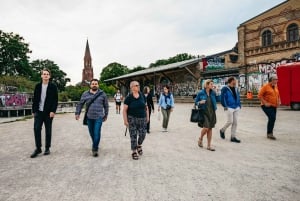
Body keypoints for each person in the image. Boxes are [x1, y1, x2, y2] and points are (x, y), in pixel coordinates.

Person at [75, 79, 109, 157]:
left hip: (99, 117)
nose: (94, 85)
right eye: (93, 84)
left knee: (97, 132)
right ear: (90, 85)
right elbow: (80, 104)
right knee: (92, 133)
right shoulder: (85, 94)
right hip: (89, 117)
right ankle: (95, 143)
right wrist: (77, 113)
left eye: (96, 84)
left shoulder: (102, 94)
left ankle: (95, 149)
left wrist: (106, 115)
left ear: (98, 85)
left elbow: (106, 106)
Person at [31, 68, 58, 158]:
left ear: (49, 76)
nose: (46, 75)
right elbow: (35, 99)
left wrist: (53, 111)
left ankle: (47, 148)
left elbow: (55, 100)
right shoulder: (38, 86)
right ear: (41, 75)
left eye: (47, 74)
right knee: (36, 128)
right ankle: (38, 148)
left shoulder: (53, 87)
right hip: (39, 112)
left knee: (48, 130)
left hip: (48, 112)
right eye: (44, 74)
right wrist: (34, 110)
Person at [123, 81, 149, 160]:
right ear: (132, 87)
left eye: (138, 85)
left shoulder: (142, 96)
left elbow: (146, 107)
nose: (138, 86)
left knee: (143, 134)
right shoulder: (128, 98)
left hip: (143, 118)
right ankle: (134, 151)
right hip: (132, 119)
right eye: (136, 85)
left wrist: (148, 117)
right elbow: (124, 110)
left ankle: (139, 145)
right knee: (133, 136)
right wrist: (125, 120)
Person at [195, 79, 217, 151]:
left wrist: (217, 93)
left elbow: (218, 99)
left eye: (212, 84)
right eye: (211, 84)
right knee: (206, 128)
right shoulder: (201, 93)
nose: (212, 85)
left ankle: (209, 145)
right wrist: (200, 102)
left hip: (212, 112)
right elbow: (196, 102)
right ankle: (200, 138)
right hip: (204, 112)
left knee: (210, 128)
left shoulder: (213, 92)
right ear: (207, 85)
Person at [258, 75, 280, 140]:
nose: (277, 81)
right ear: (272, 80)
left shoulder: (275, 87)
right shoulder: (265, 87)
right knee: (272, 118)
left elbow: (277, 95)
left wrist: (278, 101)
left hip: (274, 105)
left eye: (277, 79)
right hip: (266, 105)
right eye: (276, 79)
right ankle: (269, 134)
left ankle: (270, 133)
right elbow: (259, 95)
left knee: (273, 119)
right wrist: (265, 103)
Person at [220, 77, 242, 143]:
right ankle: (222, 130)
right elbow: (222, 98)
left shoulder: (236, 88)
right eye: (235, 80)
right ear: (232, 81)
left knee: (235, 123)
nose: (235, 82)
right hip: (229, 107)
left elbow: (238, 96)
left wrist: (239, 105)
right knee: (230, 121)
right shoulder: (225, 89)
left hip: (236, 107)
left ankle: (233, 137)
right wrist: (225, 105)